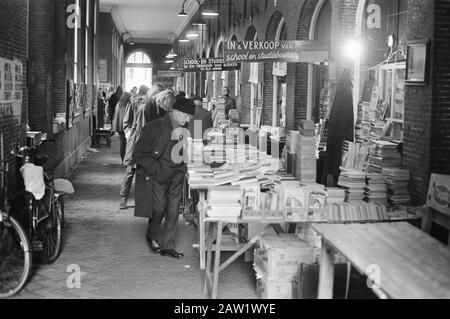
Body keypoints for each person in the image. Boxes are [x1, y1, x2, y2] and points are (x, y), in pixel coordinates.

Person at [133, 96, 195, 259]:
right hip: (158, 176)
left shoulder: (184, 129)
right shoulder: (153, 128)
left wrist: (184, 167)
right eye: (186, 115)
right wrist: (157, 170)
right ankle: (152, 236)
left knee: (174, 211)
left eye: (190, 117)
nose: (188, 119)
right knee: (159, 209)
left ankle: (168, 246)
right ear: (175, 111)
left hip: (177, 175)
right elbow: (139, 154)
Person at [112, 92, 131, 164]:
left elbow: (116, 116)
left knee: (122, 144)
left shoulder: (118, 104)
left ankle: (123, 159)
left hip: (120, 127)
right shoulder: (127, 105)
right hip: (126, 127)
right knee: (128, 144)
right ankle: (126, 159)